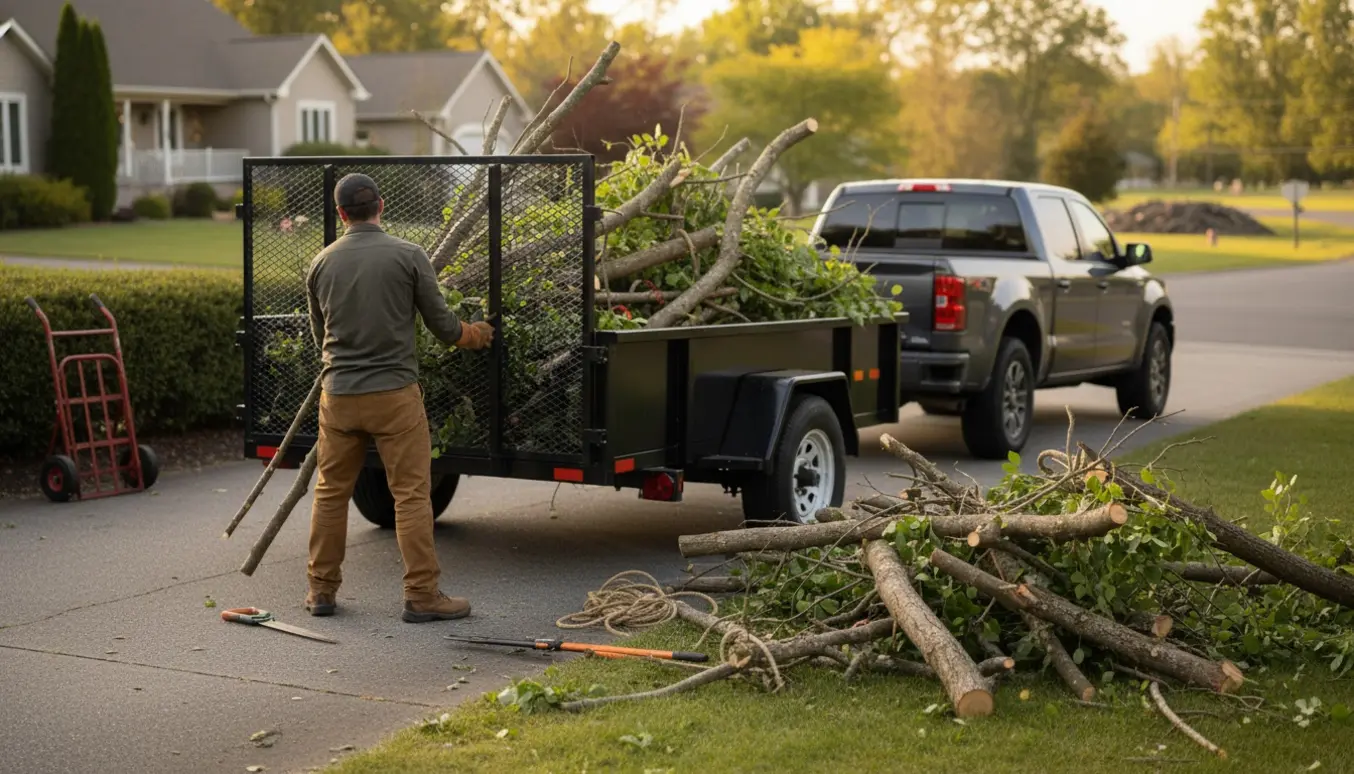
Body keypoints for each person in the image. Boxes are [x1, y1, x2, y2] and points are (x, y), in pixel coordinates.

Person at [303, 172, 494, 622]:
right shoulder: (408, 255)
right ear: (381, 207)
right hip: (394, 397)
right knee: (410, 495)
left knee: (330, 494)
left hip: (339, 396)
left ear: (341, 213)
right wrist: (476, 334)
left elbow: (319, 338)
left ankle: (320, 592)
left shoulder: (321, 262)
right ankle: (422, 596)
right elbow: (444, 328)